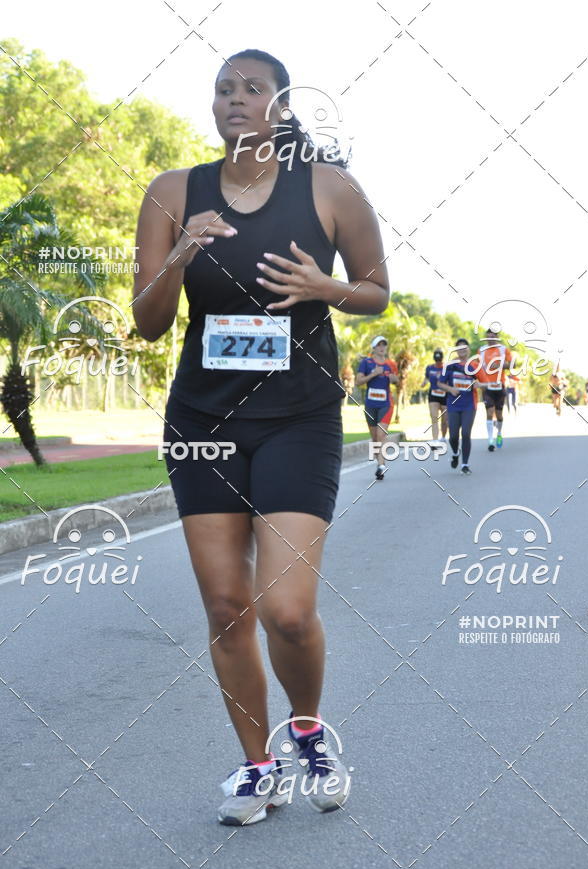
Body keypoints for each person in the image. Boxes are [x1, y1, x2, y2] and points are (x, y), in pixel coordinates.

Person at [132, 48, 389, 825]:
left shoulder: (331, 190)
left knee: (286, 609)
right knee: (225, 607)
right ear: (212, 107)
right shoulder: (174, 192)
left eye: (253, 88)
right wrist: (180, 253)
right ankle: (258, 768)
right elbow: (147, 322)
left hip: (299, 418)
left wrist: (326, 288)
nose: (236, 100)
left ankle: (307, 730)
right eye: (224, 90)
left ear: (281, 104)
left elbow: (378, 291)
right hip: (204, 421)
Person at [356, 336, 399, 479]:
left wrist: (394, 380)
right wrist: (374, 374)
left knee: (381, 435)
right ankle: (380, 463)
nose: (382, 348)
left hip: (386, 404)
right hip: (370, 405)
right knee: (375, 438)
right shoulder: (366, 363)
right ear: (374, 348)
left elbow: (397, 381)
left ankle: (381, 466)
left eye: (384, 345)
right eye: (379, 345)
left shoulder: (391, 364)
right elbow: (358, 382)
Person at [437, 339, 478, 474]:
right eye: (459, 348)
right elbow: (440, 383)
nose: (462, 350)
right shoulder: (450, 366)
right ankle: (455, 453)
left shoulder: (474, 366)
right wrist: (450, 389)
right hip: (453, 405)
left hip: (469, 405)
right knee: (453, 436)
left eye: (464, 348)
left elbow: (480, 381)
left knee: (466, 434)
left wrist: (478, 384)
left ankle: (465, 465)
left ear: (468, 350)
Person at [471, 328, 512, 451]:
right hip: (487, 386)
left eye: (493, 336)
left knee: (499, 414)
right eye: (489, 336)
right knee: (489, 412)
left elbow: (512, 364)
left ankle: (499, 433)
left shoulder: (503, 349)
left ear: (497, 337)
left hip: (500, 385)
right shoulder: (481, 350)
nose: (491, 338)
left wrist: (500, 365)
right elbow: (477, 367)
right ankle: (490, 440)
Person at [421, 348, 448, 445]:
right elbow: (427, 378)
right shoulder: (429, 368)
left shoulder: (446, 368)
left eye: (439, 359)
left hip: (445, 395)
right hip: (433, 395)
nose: (438, 361)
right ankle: (435, 439)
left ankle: (443, 437)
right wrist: (424, 383)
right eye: (436, 359)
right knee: (434, 417)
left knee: (445, 420)